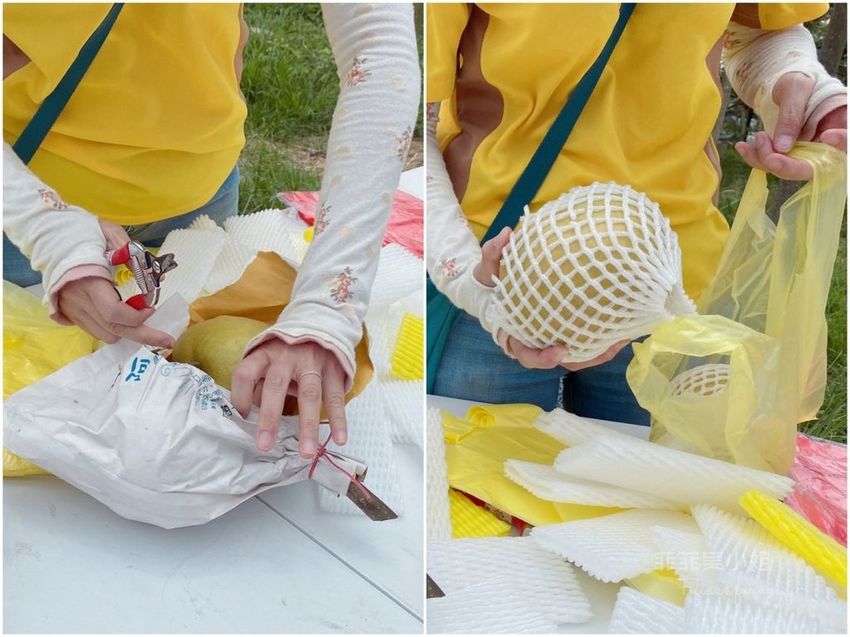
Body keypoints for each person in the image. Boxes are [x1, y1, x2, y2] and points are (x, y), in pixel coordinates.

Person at [3, 3, 420, 456]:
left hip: (200, 193)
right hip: (25, 209)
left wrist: (327, 304)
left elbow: (376, 48)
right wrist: (48, 230)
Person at [426, 2, 846, 421]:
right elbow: (408, 120)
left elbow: (754, 29)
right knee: (482, 462)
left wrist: (808, 94)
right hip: (503, 280)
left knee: (650, 465)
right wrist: (468, 284)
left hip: (670, 284)